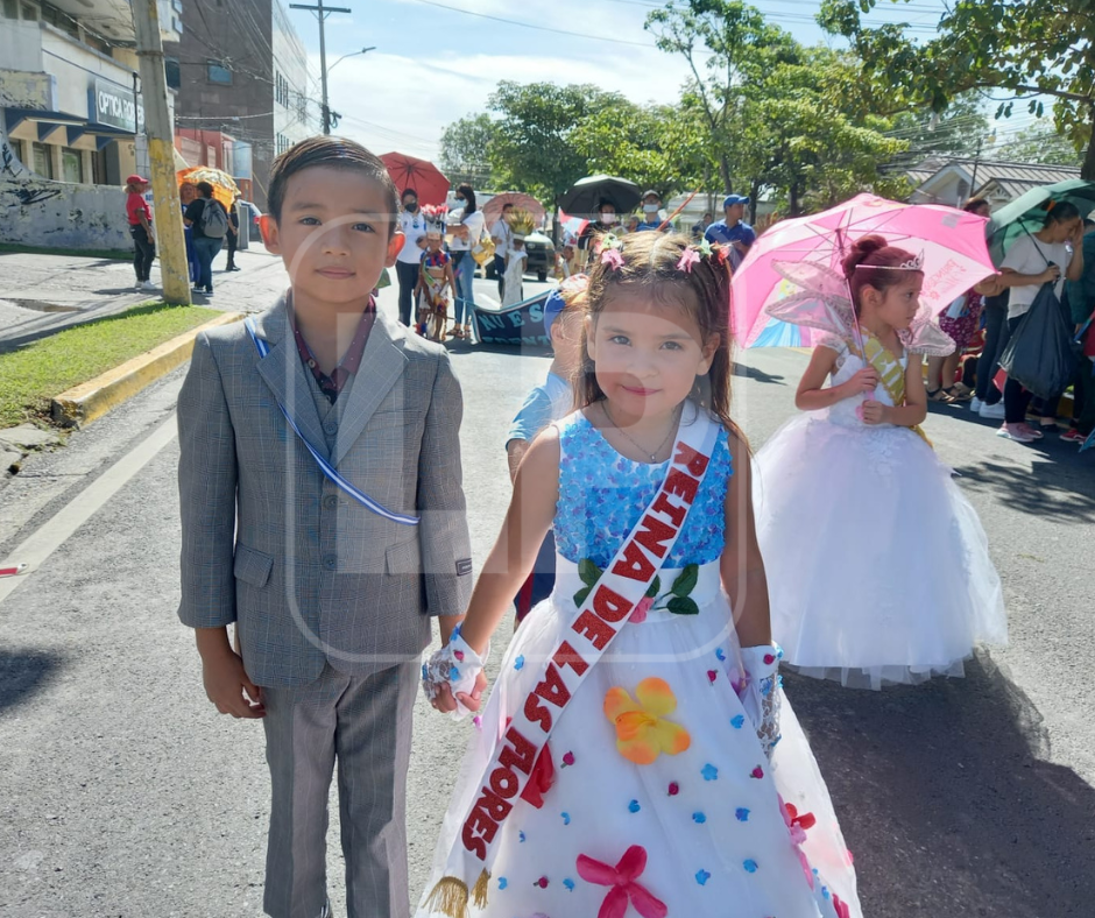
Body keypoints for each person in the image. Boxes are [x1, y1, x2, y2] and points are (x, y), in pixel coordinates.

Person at [418, 231, 860, 918]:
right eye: (619, 338)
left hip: (699, 677)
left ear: (709, 350)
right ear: (588, 337)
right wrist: (464, 651)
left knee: (711, 835)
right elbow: (510, 558)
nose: (640, 365)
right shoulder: (556, 448)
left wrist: (762, 671)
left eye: (669, 345)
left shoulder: (721, 445)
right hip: (572, 681)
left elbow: (741, 564)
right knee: (579, 834)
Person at [176, 136, 473, 918]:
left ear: (394, 242)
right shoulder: (227, 356)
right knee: (296, 819)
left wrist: (458, 634)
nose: (334, 244)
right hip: (280, 631)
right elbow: (205, 511)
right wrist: (213, 644)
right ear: (268, 234)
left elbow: (441, 509)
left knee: (380, 822)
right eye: (310, 220)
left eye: (361, 227)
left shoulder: (424, 367)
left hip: (388, 635)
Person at [753, 234, 1007, 691]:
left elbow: (917, 409)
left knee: (892, 547)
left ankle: (888, 638)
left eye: (917, 294)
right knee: (832, 546)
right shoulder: (838, 342)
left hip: (895, 457)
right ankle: (819, 628)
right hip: (833, 454)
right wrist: (847, 390)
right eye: (908, 295)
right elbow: (804, 398)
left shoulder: (909, 347)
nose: (917, 304)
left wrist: (890, 414)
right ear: (872, 296)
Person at [504, 278, 586, 625]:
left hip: (579, 538)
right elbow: (518, 446)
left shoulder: (593, 392)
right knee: (536, 618)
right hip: (545, 541)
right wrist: (540, 507)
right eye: (588, 324)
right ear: (560, 333)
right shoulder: (547, 394)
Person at [990, 202, 1084, 442]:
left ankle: (1019, 420)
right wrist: (1039, 277)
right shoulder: (1026, 243)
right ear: (1056, 222)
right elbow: (1004, 278)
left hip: (1049, 316)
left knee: (1038, 368)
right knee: (1021, 368)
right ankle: (1010, 422)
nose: (1071, 232)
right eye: (1070, 227)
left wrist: (1078, 245)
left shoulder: (1062, 248)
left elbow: (1073, 275)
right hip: (1024, 312)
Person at [1063, 218, 1095, 443]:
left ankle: (1082, 426)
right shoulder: (1091, 243)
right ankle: (1082, 426)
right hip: (1088, 320)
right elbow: (1076, 282)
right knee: (1088, 377)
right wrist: (1079, 317)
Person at [448, 182, 484, 341]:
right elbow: (445, 228)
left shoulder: (477, 215)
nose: (458, 200)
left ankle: (469, 326)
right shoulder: (456, 212)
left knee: (467, 291)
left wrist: (455, 229)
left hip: (467, 256)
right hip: (454, 255)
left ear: (469, 197)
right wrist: (454, 229)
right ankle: (457, 325)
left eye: (460, 197)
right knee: (457, 292)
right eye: (456, 197)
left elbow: (458, 229)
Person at [416, 205, 456, 340]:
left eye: (436, 241)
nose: (433, 243)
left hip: (441, 288)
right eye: (430, 240)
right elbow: (421, 274)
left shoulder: (445, 257)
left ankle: (437, 335)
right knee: (424, 312)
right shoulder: (424, 256)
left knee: (439, 312)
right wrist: (417, 288)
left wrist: (454, 292)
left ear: (441, 241)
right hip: (427, 287)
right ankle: (419, 333)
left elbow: (450, 275)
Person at [182, 181, 228, 295]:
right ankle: (199, 285)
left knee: (205, 263)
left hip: (201, 238)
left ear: (200, 191)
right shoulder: (218, 203)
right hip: (218, 238)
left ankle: (209, 288)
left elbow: (186, 222)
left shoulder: (196, 203)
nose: (194, 192)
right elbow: (226, 219)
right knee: (206, 263)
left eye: (196, 190)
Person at [396, 188, 429, 326]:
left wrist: (426, 240)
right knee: (405, 293)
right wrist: (399, 213)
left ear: (418, 200)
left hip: (422, 262)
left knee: (420, 292)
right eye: (406, 201)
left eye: (412, 200)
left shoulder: (426, 216)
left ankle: (420, 323)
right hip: (403, 260)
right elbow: (396, 231)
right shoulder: (402, 216)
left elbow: (436, 233)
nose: (410, 203)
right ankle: (404, 323)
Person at [705, 194, 756, 270]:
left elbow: (754, 255)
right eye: (738, 206)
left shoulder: (747, 231)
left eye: (742, 206)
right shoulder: (712, 230)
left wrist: (742, 247)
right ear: (728, 208)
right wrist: (717, 248)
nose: (741, 209)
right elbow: (703, 253)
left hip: (739, 277)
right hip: (717, 277)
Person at [125, 174, 156, 292]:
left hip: (135, 227)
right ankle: (146, 280)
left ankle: (140, 279)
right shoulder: (136, 198)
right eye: (141, 184)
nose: (143, 185)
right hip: (141, 227)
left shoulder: (132, 197)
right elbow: (141, 216)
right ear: (134, 185)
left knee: (139, 254)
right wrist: (149, 232)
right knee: (149, 253)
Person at [490, 202, 514, 300]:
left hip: (512, 254)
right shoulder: (498, 224)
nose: (509, 214)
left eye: (511, 212)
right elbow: (493, 238)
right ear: (503, 212)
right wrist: (497, 241)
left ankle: (511, 299)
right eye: (507, 212)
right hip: (500, 254)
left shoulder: (515, 225)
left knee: (512, 279)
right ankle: (502, 298)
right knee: (502, 277)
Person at [179, 182, 200, 284]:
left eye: (190, 189)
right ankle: (185, 278)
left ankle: (197, 279)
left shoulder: (197, 203)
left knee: (196, 256)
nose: (188, 191)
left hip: (195, 233)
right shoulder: (178, 203)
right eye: (186, 189)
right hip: (182, 233)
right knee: (184, 255)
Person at [225, 193, 242, 272]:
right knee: (231, 247)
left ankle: (232, 263)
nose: (237, 199)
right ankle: (229, 264)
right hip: (231, 230)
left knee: (233, 247)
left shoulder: (233, 206)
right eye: (235, 197)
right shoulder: (230, 206)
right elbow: (228, 218)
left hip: (234, 229)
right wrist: (233, 229)